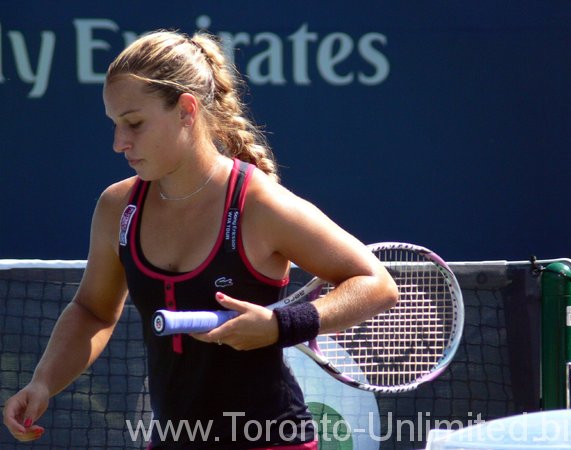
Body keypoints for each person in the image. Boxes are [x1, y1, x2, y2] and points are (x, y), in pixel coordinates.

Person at [2, 29, 398, 449]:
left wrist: (279, 325)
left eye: (134, 123)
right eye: (115, 124)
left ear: (186, 111)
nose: (119, 143)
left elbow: (377, 283)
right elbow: (93, 311)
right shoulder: (117, 207)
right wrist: (43, 382)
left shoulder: (260, 204)